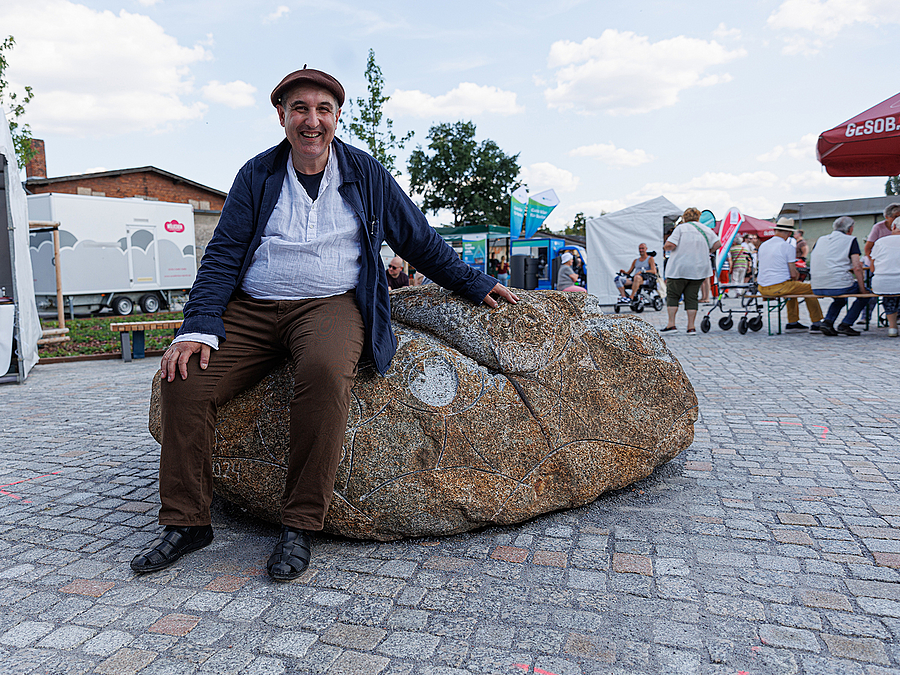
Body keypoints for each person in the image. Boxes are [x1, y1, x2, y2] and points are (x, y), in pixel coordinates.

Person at [130, 67, 518, 581]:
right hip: (252, 308)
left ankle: (299, 524)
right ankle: (187, 522)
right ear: (282, 116)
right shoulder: (258, 174)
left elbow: (417, 239)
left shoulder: (364, 172)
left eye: (322, 110)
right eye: (300, 110)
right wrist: (198, 325)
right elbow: (223, 253)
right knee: (184, 381)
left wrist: (474, 282)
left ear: (337, 116)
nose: (311, 121)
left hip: (330, 304)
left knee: (323, 373)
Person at [756, 217, 825, 333]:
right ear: (789, 233)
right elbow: (793, 274)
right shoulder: (787, 247)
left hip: (762, 287)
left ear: (775, 230)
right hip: (778, 287)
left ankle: (793, 322)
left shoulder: (763, 245)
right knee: (810, 288)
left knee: (792, 288)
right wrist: (797, 276)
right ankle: (817, 322)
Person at [660, 208, 721, 334]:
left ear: (685, 217)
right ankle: (691, 327)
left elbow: (671, 245)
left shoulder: (681, 228)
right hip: (698, 268)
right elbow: (718, 244)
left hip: (679, 268)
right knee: (692, 297)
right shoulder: (705, 229)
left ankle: (671, 324)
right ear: (698, 217)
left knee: (673, 296)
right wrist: (708, 251)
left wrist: (665, 246)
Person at [810, 216, 869, 336]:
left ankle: (827, 322)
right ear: (850, 229)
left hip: (816, 285)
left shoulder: (821, 239)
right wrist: (862, 289)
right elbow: (857, 267)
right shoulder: (850, 240)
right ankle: (846, 324)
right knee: (866, 294)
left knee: (840, 299)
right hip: (838, 284)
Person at [870, 225, 900, 337]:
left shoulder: (880, 242)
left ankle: (892, 327)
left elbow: (872, 268)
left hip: (882, 282)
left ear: (894, 227)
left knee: (890, 292)